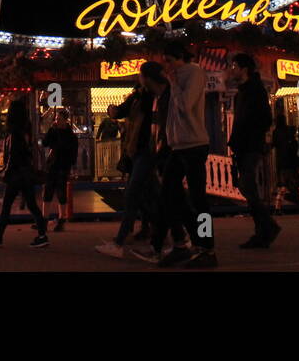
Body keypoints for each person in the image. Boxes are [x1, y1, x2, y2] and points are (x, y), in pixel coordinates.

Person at [135, 41, 216, 268]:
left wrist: (173, 81)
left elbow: (185, 105)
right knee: (169, 195)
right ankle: (181, 244)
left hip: (194, 144)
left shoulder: (194, 73)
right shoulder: (178, 77)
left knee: (199, 199)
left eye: (169, 61)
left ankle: (208, 248)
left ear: (179, 57)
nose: (167, 66)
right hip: (178, 145)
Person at [96, 66, 162, 257]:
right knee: (149, 195)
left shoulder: (148, 98)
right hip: (141, 151)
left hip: (147, 151)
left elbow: (121, 112)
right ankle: (163, 233)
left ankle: (121, 240)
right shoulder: (141, 97)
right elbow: (120, 112)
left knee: (134, 194)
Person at [227, 53, 278, 248]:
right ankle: (264, 229)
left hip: (250, 145)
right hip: (244, 145)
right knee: (246, 187)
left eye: (234, 66)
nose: (232, 70)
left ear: (244, 69)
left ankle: (267, 227)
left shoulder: (254, 90)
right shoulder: (244, 91)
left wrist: (250, 136)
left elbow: (264, 118)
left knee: (247, 186)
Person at [0, 99, 49, 247]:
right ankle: (42, 234)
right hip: (25, 172)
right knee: (32, 205)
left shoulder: (14, 133)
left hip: (16, 174)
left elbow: (13, 155)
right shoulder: (26, 130)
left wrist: (6, 170)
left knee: (7, 206)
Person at [41, 107, 78, 231]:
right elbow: (45, 142)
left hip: (63, 165)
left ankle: (62, 219)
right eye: (56, 119)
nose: (57, 121)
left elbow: (72, 152)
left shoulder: (70, 135)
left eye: (59, 119)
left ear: (65, 120)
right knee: (48, 191)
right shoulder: (54, 130)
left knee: (61, 192)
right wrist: (51, 130)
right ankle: (44, 219)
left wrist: (72, 166)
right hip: (53, 165)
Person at [271, 113, 299, 214]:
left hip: (282, 162)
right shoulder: (289, 134)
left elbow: (274, 144)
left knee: (283, 186)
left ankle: (277, 208)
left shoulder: (276, 132)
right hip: (291, 162)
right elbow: (294, 148)